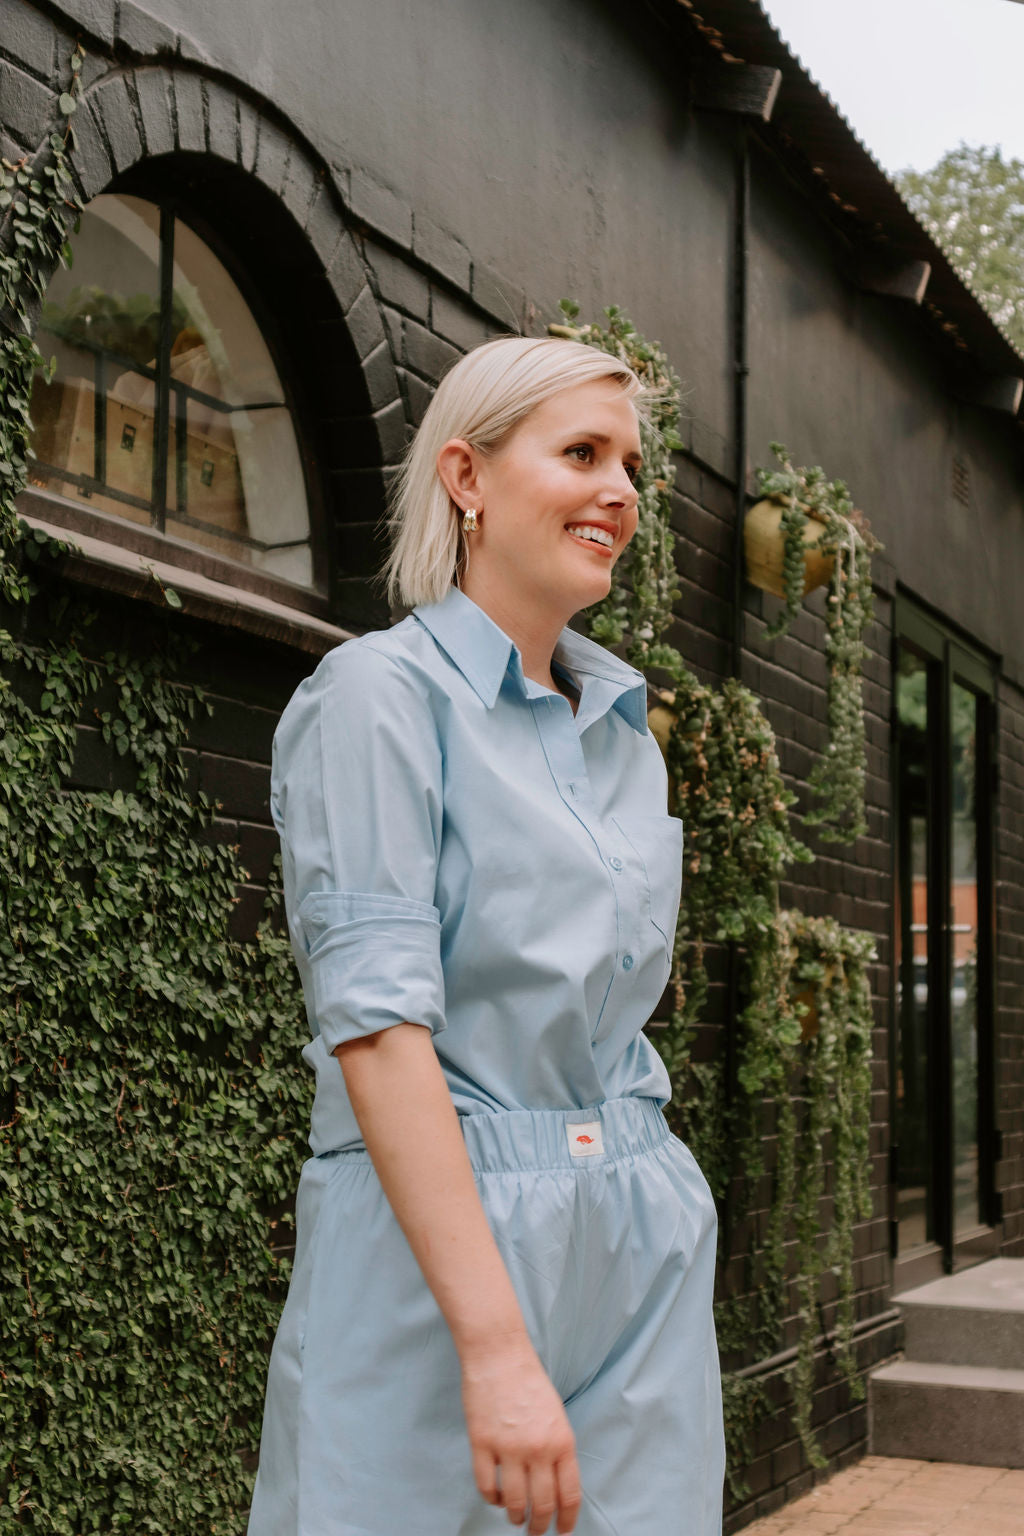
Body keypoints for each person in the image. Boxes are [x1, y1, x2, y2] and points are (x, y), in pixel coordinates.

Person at [247, 336, 725, 1536]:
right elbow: (376, 1033)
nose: (621, 490)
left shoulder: (623, 733)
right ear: (466, 475)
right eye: (580, 453)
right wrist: (498, 1347)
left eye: (629, 463)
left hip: (636, 1228)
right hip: (444, 1243)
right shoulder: (376, 700)